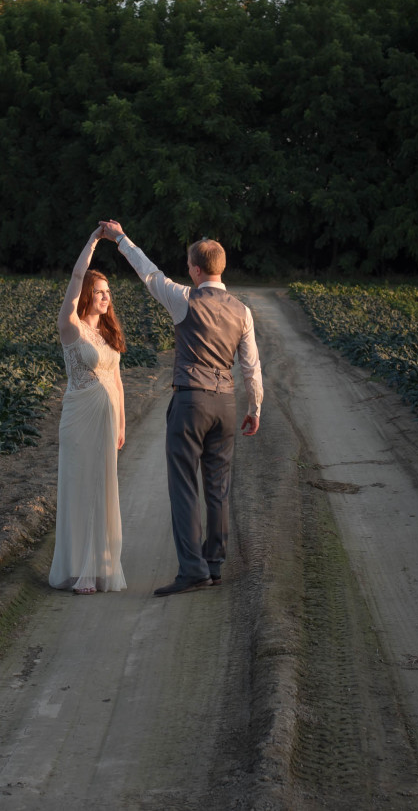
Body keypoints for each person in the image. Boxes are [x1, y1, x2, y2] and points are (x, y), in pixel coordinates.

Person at [99, 219, 263, 597]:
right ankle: (215, 565)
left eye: (189, 265)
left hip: (191, 400)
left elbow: (148, 272)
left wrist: (121, 238)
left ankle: (193, 570)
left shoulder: (183, 298)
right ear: (221, 268)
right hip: (225, 402)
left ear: (195, 268)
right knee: (218, 487)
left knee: (185, 486)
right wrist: (254, 407)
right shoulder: (243, 311)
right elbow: (251, 366)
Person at [49, 226, 127, 595]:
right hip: (79, 420)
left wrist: (123, 423)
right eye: (99, 292)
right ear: (85, 296)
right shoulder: (71, 328)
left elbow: (117, 380)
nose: (105, 298)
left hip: (107, 420)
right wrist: (95, 240)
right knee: (79, 491)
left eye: (108, 293)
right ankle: (79, 570)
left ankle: (99, 568)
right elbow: (78, 274)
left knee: (102, 490)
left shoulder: (107, 335)